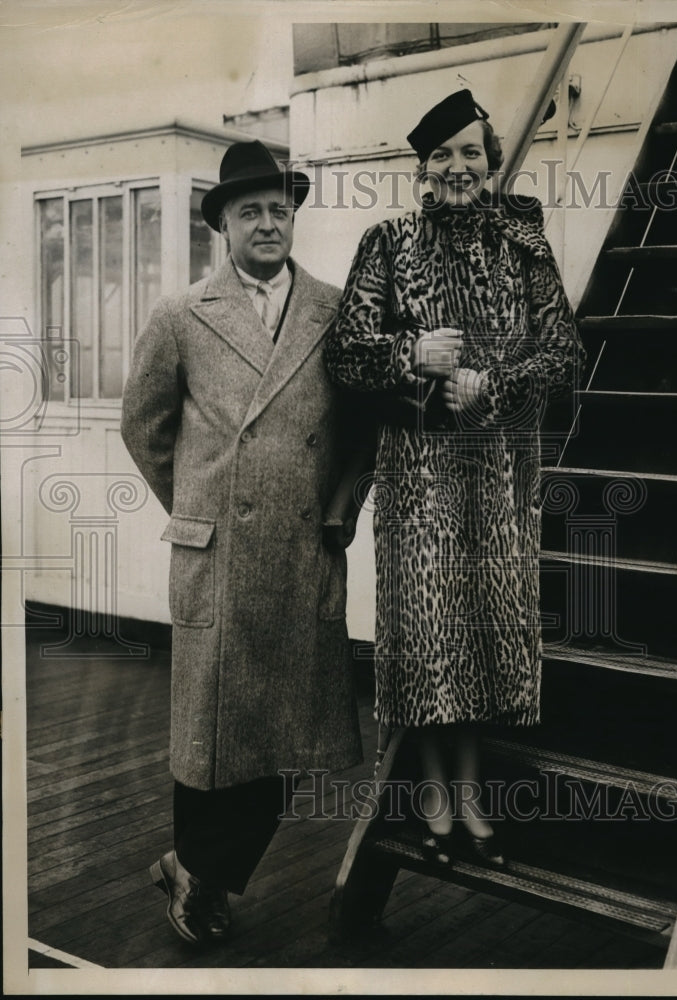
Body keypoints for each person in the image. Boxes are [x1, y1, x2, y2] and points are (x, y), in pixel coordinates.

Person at [324, 89, 584, 868]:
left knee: (482, 637)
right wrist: (413, 357)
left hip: (499, 474)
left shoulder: (523, 247)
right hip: (419, 477)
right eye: (441, 156)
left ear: (491, 160)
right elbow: (343, 352)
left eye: (470, 152)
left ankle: (471, 792)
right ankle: (436, 793)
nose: (457, 167)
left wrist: (496, 385)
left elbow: (566, 352)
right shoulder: (389, 242)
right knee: (430, 636)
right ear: (422, 171)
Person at [121, 140, 362, 947]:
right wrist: (200, 508)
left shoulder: (335, 310)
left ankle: (194, 868)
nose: (268, 223)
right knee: (211, 741)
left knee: (290, 738)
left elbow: (363, 430)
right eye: (251, 211)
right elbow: (145, 428)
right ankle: (200, 882)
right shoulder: (180, 315)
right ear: (222, 224)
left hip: (302, 553)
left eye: (280, 210)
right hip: (219, 556)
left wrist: (339, 510)